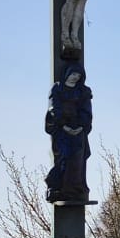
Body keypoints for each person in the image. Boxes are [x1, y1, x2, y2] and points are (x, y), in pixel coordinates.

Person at [45, 65, 93, 203]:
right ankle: (57, 188)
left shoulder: (83, 91)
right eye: (73, 74)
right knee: (62, 159)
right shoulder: (58, 88)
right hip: (61, 131)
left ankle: (75, 190)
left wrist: (80, 126)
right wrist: (63, 125)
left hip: (78, 132)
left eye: (78, 76)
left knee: (78, 161)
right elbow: (54, 108)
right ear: (67, 74)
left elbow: (86, 110)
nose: (75, 78)